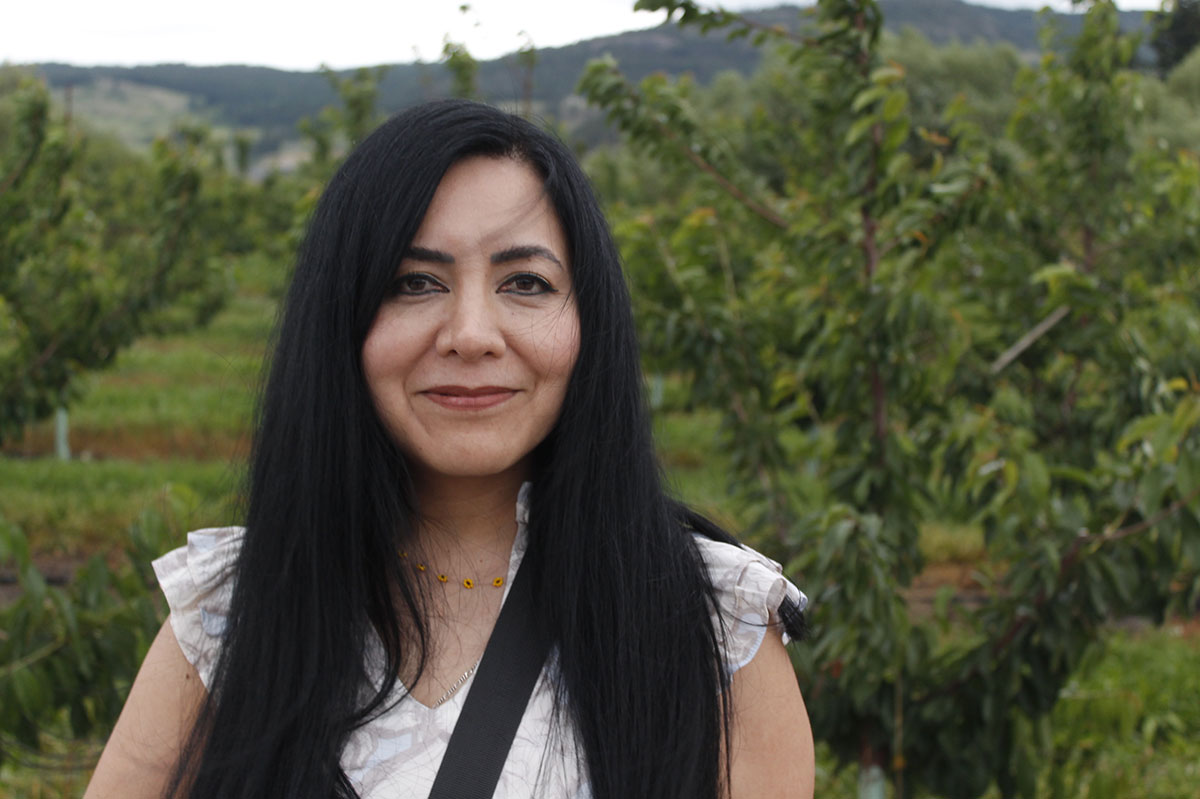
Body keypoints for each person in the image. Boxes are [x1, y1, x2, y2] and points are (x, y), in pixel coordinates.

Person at [84, 99, 814, 799]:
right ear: (343, 317)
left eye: (525, 282)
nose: (471, 332)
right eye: (415, 282)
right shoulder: (234, 616)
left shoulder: (715, 628)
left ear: (589, 321)